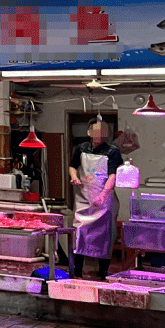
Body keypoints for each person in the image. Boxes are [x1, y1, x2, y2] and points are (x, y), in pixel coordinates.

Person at [69, 119, 122, 279]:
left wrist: (103, 195)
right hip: (84, 197)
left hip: (104, 199)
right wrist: (74, 177)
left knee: (104, 235)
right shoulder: (81, 148)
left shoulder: (113, 151)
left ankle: (103, 272)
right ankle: (77, 272)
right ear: (89, 132)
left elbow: (113, 175)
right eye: (96, 131)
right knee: (80, 233)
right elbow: (72, 166)